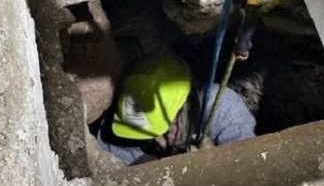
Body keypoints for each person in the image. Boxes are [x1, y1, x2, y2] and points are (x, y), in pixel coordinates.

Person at [94, 54, 255, 165]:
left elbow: (251, 170)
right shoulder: (118, 138)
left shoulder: (222, 106)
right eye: (147, 136)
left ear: (189, 103)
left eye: (166, 130)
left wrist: (214, 163)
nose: (159, 143)